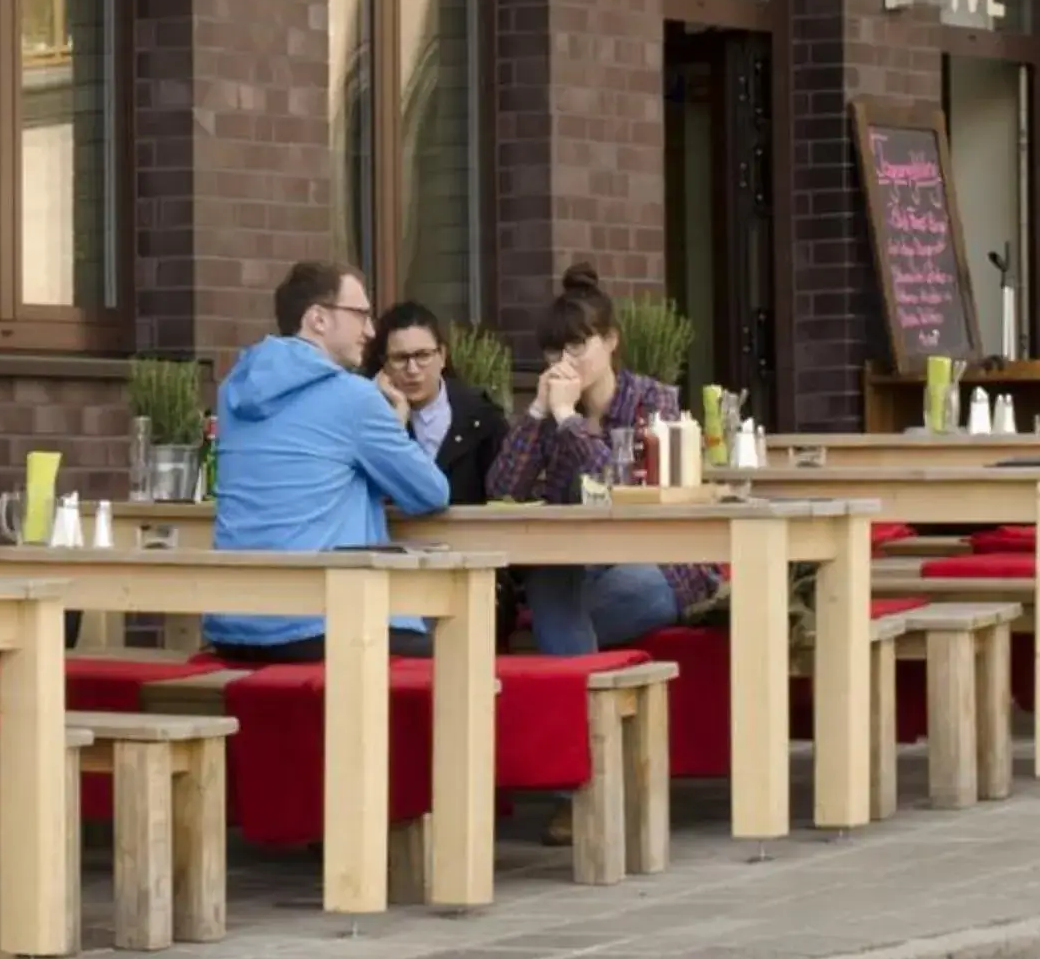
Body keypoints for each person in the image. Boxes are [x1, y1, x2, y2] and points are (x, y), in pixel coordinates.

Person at [204, 260, 451, 663]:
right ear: (318, 319)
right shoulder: (353, 396)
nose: (371, 332)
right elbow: (430, 492)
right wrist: (394, 427)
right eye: (361, 316)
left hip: (232, 625)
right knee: (463, 655)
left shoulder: (234, 388)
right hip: (318, 624)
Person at [486, 264, 720, 655]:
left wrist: (568, 421)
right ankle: (562, 665)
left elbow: (622, 490)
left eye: (577, 346)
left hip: (658, 564)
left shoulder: (654, 401)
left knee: (569, 617)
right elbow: (501, 489)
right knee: (548, 582)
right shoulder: (553, 409)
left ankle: (550, 655)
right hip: (579, 565)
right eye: (554, 350)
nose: (564, 360)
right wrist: (538, 413)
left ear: (611, 340)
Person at [371, 301, 507, 507]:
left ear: (442, 356)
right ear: (384, 365)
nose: (413, 369)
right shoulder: (372, 419)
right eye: (400, 358)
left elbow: (504, 495)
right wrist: (395, 423)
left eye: (423, 355)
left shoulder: (481, 416)